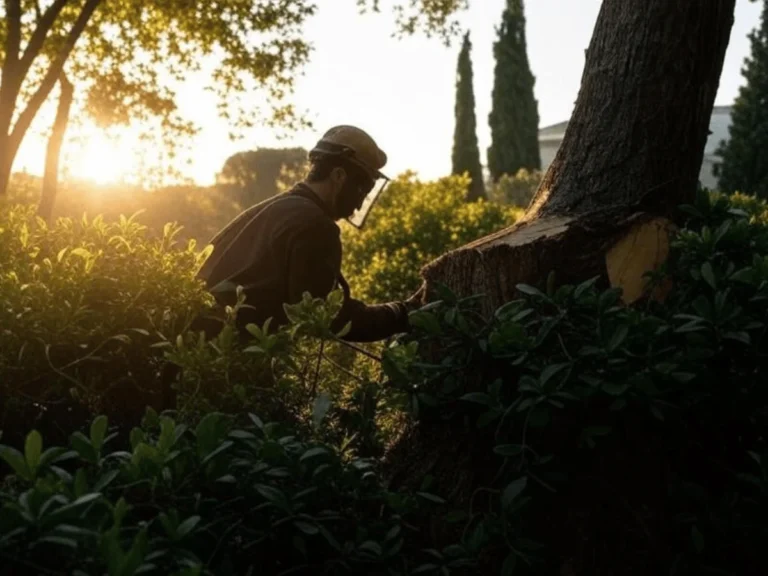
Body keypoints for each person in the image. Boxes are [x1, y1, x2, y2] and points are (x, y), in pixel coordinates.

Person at [193, 125, 424, 343]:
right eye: (362, 188)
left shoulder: (278, 207)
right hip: (220, 368)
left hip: (194, 357)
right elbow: (325, 317)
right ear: (339, 176)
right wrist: (402, 313)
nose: (359, 202)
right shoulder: (315, 225)